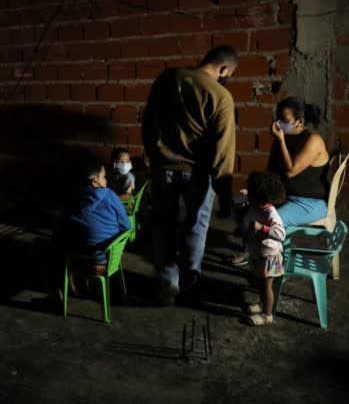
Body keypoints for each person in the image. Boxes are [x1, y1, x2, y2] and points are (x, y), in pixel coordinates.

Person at [141, 45, 238, 304]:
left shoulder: (168, 77)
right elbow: (224, 149)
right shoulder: (221, 96)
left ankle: (167, 282)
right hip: (198, 174)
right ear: (224, 69)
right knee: (196, 225)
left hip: (163, 169)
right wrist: (224, 192)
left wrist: (152, 151)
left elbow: (149, 118)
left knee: (163, 224)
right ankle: (189, 280)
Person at [231, 97, 330, 266]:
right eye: (277, 118)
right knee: (238, 204)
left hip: (308, 202)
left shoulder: (313, 141)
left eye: (285, 120)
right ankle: (250, 249)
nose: (279, 124)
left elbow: (291, 171)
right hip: (284, 195)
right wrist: (256, 192)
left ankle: (270, 265)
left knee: (270, 222)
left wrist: (281, 140)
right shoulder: (281, 138)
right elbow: (272, 173)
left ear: (300, 121)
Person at [45, 156, 132, 304]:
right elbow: (127, 227)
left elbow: (59, 233)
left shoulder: (69, 200)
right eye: (104, 177)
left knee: (43, 247)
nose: (106, 181)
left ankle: (56, 294)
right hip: (106, 263)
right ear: (94, 180)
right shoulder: (111, 196)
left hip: (79, 263)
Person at [241, 171, 287, 326]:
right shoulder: (256, 206)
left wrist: (263, 228)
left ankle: (267, 315)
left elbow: (281, 234)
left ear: (259, 196)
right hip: (259, 253)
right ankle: (262, 305)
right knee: (260, 284)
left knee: (267, 287)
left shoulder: (271, 213)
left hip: (270, 257)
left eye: (251, 193)